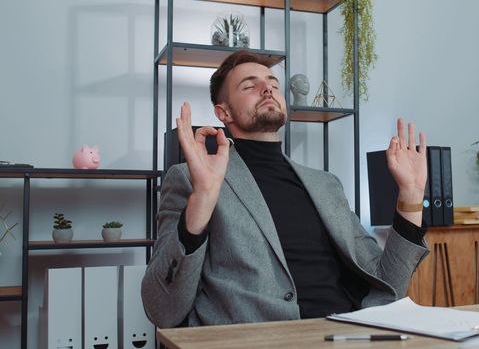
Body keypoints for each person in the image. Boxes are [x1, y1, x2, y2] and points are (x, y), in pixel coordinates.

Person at [141, 50, 430, 328]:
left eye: (273, 84)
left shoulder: (326, 185)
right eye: (249, 86)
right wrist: (203, 198)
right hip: (259, 338)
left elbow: (387, 286)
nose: (267, 90)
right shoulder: (191, 179)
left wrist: (411, 195)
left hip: (348, 334)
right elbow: (161, 308)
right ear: (223, 112)